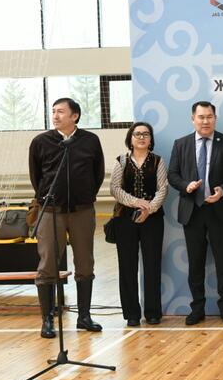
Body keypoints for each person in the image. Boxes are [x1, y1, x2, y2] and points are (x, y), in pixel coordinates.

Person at [29, 97, 105, 339]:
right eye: (53, 111)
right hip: (51, 211)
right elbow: (36, 176)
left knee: (85, 263)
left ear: (75, 116)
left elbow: (97, 174)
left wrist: (84, 196)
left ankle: (84, 317)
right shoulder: (41, 142)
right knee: (48, 264)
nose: (55, 115)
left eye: (61, 111)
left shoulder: (90, 140)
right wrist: (48, 197)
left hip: (82, 211)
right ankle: (47, 320)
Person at [168, 100, 223, 325]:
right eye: (201, 117)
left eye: (209, 117)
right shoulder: (181, 144)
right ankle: (197, 308)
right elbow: (173, 175)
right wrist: (186, 186)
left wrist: (222, 191)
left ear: (215, 118)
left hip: (219, 209)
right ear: (193, 119)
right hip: (192, 211)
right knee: (195, 262)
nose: (205, 121)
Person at [109, 122, 168, 327]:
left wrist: (148, 209)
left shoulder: (158, 161)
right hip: (124, 219)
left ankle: (153, 312)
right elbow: (115, 188)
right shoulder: (121, 161)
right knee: (127, 266)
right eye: (137, 134)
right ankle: (131, 314)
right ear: (130, 138)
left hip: (153, 219)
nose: (141, 137)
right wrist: (136, 202)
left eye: (146, 134)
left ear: (151, 139)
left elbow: (163, 189)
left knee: (152, 265)